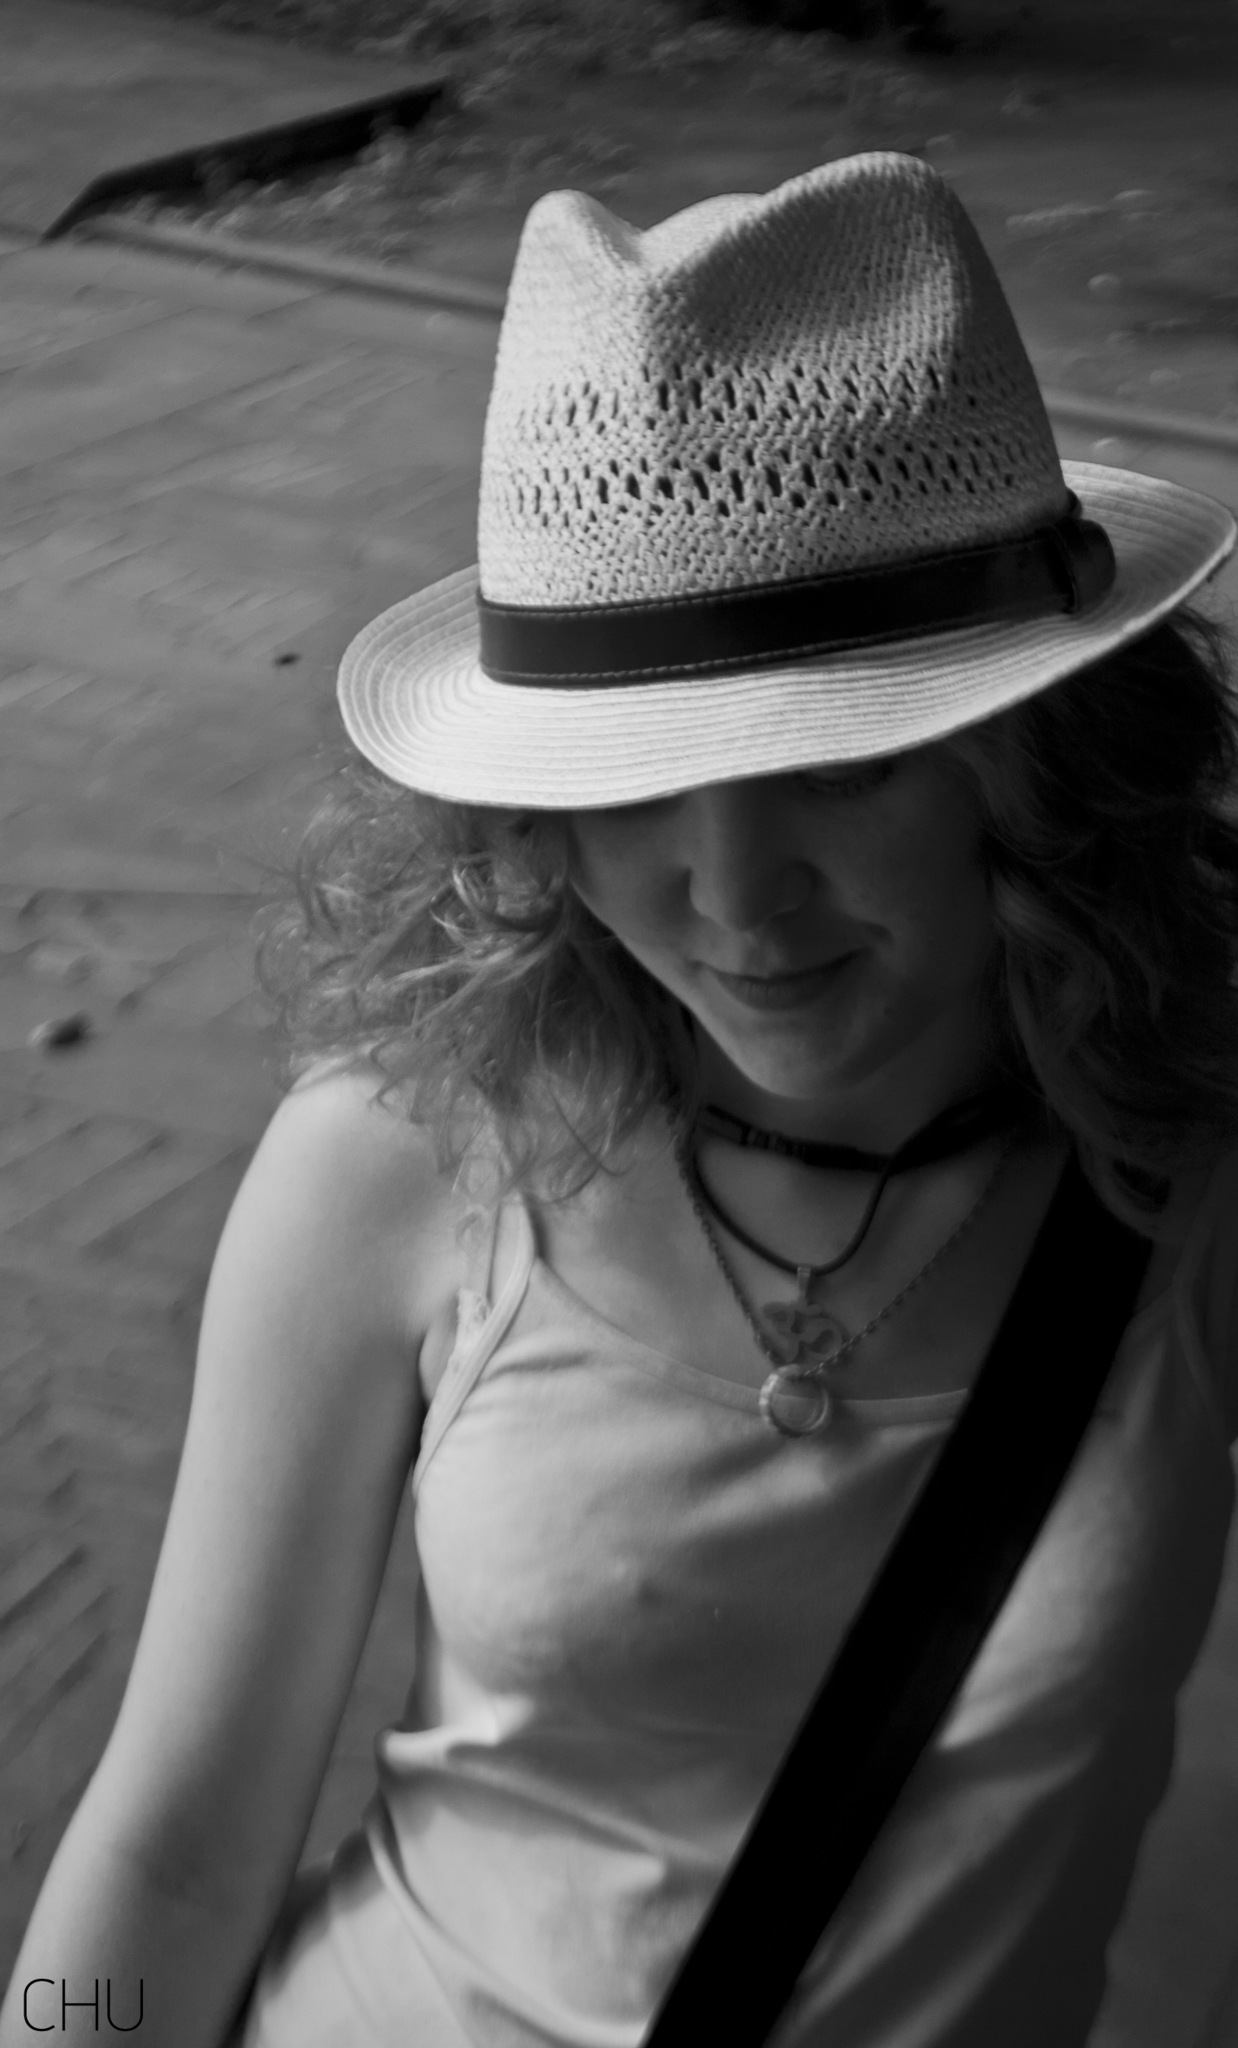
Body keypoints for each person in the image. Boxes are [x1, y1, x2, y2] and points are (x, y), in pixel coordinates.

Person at [3, 151, 1237, 2048]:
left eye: (841, 764)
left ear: (1033, 751)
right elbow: (169, 1860)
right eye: (631, 780)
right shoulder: (400, 1157)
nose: (734, 903)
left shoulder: (1181, 1172)